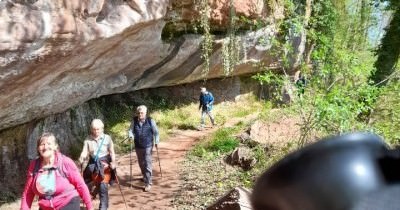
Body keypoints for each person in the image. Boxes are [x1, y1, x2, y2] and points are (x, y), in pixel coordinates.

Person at [20, 132, 93, 210]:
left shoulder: (65, 162)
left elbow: (80, 185)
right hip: (46, 206)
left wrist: (90, 207)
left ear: (55, 146)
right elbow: (28, 192)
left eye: (49, 144)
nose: (45, 147)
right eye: (42, 144)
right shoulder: (34, 165)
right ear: (38, 148)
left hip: (68, 203)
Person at [79, 119, 117, 210]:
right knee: (86, 181)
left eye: (98, 129)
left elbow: (112, 152)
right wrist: (81, 157)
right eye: (94, 129)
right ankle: (93, 190)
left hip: (105, 163)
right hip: (93, 163)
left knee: (103, 186)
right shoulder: (88, 140)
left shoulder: (107, 138)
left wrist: (114, 162)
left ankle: (103, 207)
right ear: (91, 129)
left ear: (102, 129)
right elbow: (84, 152)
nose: (96, 131)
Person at [128, 105, 160, 192]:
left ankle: (148, 183)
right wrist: (130, 136)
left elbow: (156, 133)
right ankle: (145, 176)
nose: (140, 114)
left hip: (148, 146)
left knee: (147, 163)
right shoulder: (134, 121)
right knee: (141, 163)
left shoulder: (150, 121)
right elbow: (130, 130)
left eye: (142, 113)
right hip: (138, 145)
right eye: (138, 113)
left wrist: (156, 141)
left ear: (145, 113)